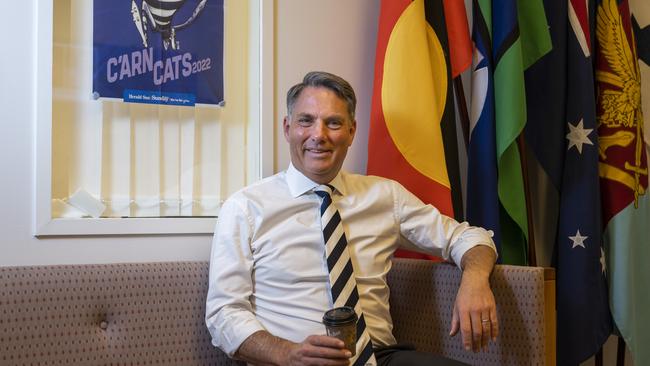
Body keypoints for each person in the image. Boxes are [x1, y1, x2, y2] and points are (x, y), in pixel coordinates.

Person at [206, 71, 498, 366]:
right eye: (306, 121)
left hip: (379, 357)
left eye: (333, 123)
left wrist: (474, 279)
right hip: (293, 360)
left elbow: (467, 237)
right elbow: (224, 313)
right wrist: (285, 353)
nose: (318, 135)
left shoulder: (385, 197)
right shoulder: (245, 208)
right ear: (287, 128)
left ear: (351, 131)